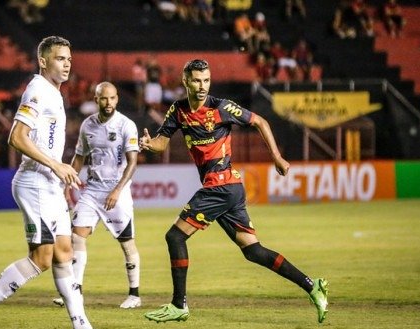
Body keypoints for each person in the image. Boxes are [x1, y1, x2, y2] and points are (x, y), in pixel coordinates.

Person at [140, 59, 329, 324]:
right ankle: (312, 285)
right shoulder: (179, 110)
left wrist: (276, 157)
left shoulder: (221, 107)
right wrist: (149, 144)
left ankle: (178, 304)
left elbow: (260, 122)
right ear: (185, 81)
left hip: (221, 186)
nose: (202, 85)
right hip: (228, 189)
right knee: (253, 251)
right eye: (196, 80)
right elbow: (162, 143)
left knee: (174, 237)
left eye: (206, 79)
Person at [0, 35, 93, 329]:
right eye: (60, 58)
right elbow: (16, 137)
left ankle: (81, 324)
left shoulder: (55, 93)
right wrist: (56, 165)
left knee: (64, 254)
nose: (67, 64)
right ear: (43, 62)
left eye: (69, 59)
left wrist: (58, 173)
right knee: (42, 258)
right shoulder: (37, 90)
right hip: (34, 182)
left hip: (49, 185)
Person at [52, 81, 142, 309]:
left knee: (127, 243)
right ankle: (75, 290)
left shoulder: (126, 125)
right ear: (96, 100)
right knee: (77, 236)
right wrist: (67, 184)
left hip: (117, 191)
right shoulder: (87, 125)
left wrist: (118, 190)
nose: (108, 102)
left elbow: (133, 163)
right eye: (104, 98)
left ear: (117, 99)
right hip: (92, 190)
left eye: (112, 98)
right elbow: (80, 157)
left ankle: (134, 294)